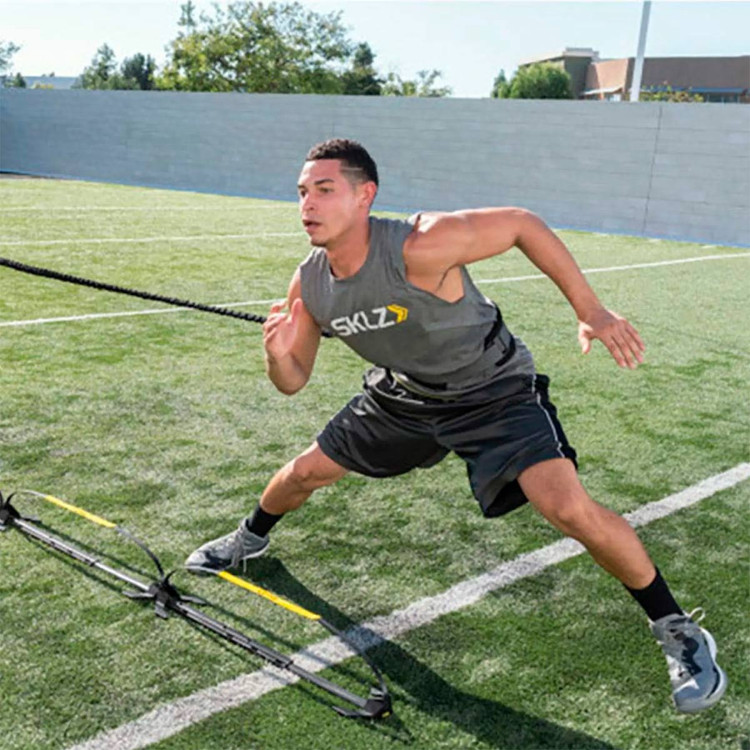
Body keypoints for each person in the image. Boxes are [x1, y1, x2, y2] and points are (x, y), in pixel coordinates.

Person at [186, 138, 726, 714]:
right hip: (404, 395)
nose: (307, 204)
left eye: (324, 189)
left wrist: (590, 310)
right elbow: (293, 380)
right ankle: (249, 538)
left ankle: (679, 631)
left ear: (365, 196)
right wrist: (275, 354)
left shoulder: (422, 243)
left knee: (568, 509)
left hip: (492, 391)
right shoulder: (310, 285)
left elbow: (521, 224)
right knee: (304, 473)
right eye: (301, 192)